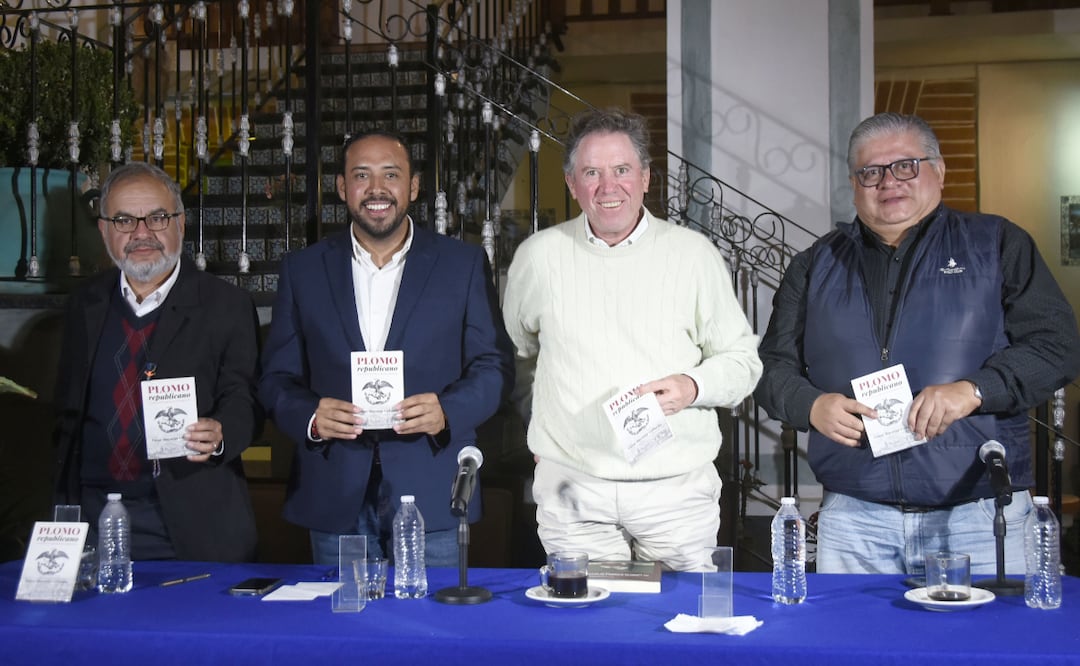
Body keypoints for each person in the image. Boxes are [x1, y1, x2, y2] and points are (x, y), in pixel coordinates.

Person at [754, 112, 1080, 575]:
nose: (889, 182)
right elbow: (770, 368)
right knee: (853, 648)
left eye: (906, 165)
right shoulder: (813, 265)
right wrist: (809, 405)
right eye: (871, 172)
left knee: (982, 649)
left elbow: (1057, 345)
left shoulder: (997, 244)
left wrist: (976, 389)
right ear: (854, 183)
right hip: (854, 520)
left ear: (939, 171)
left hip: (979, 516)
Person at [502, 108, 762, 572]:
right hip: (573, 488)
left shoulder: (693, 256)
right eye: (592, 173)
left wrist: (692, 386)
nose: (608, 187)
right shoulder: (537, 257)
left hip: (675, 491)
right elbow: (520, 354)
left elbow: (743, 361)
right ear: (571, 183)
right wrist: (543, 427)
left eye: (622, 170)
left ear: (644, 178)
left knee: (681, 628)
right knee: (585, 632)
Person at [259, 129, 514, 567]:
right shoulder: (303, 271)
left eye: (390, 175)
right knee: (346, 631)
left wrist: (447, 411)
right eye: (361, 175)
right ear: (342, 187)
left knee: (431, 630)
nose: (376, 189)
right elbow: (275, 378)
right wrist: (312, 417)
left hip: (431, 487)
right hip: (334, 490)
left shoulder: (462, 265)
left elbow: (494, 366)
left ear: (412, 187)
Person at [53, 161, 262, 562]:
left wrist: (221, 435)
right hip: (91, 521)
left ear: (181, 224)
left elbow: (245, 397)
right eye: (125, 220)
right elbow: (66, 414)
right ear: (104, 230)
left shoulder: (226, 305)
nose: (142, 233)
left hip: (190, 520)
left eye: (158, 217)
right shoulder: (83, 306)